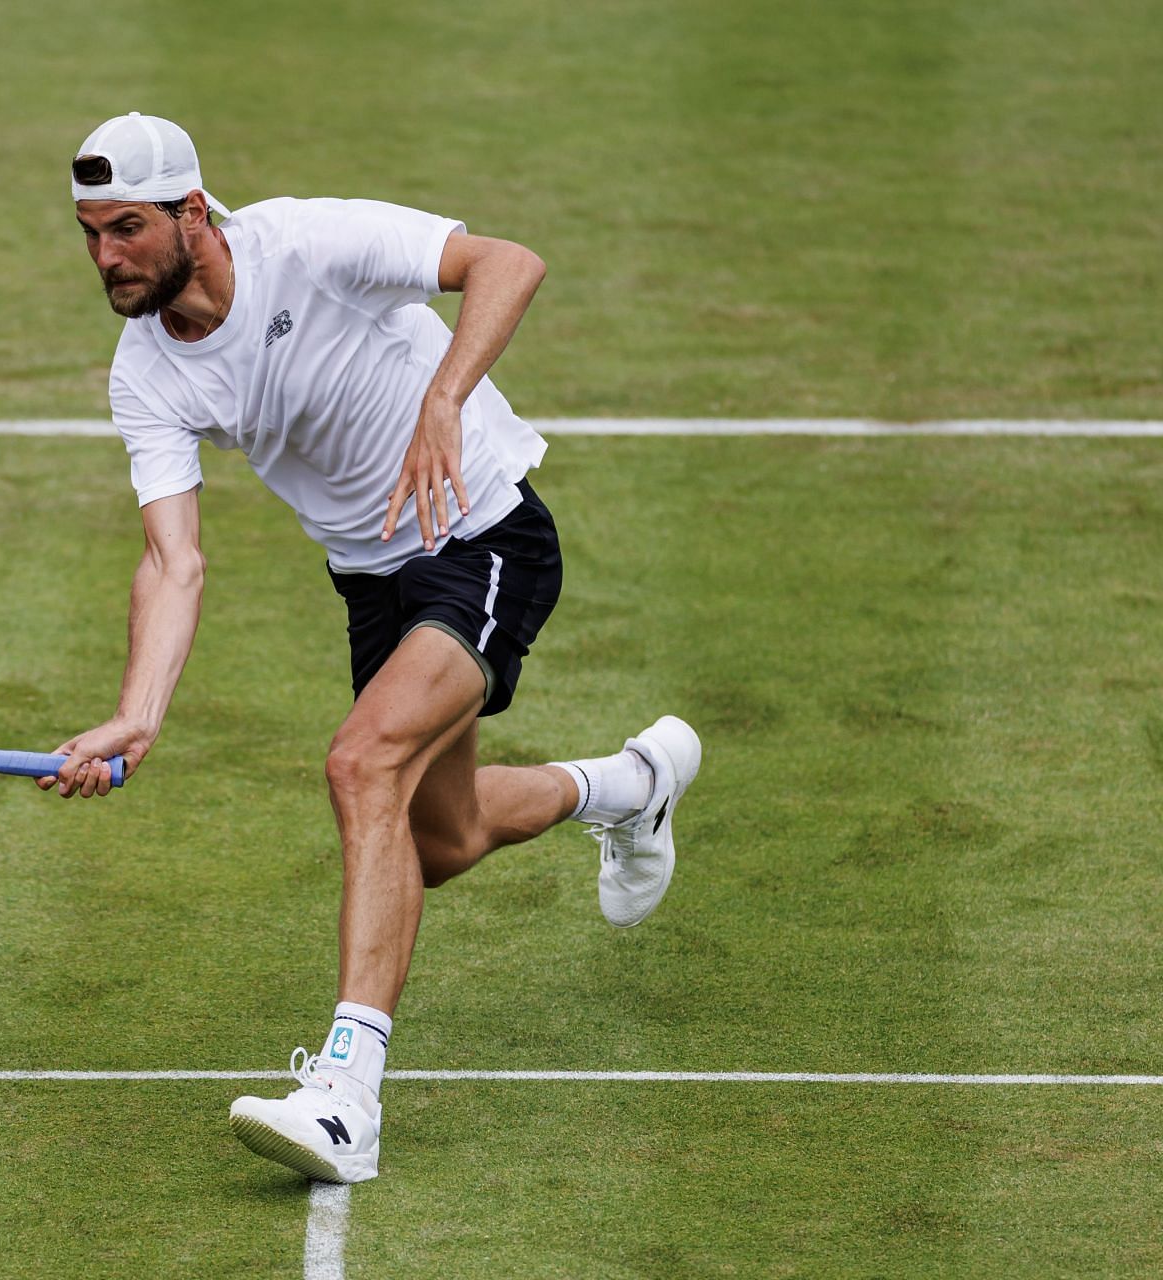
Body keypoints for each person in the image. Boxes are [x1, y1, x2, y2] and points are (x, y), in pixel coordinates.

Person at [44, 111, 702, 1184]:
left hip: (484, 532)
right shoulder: (146, 376)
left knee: (362, 761)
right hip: (373, 580)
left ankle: (346, 1095)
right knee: (438, 839)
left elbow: (507, 262)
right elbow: (174, 561)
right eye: (89, 233)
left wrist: (444, 398)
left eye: (126, 228)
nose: (105, 256)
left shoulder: (308, 243)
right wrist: (140, 711)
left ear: (192, 214)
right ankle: (629, 786)